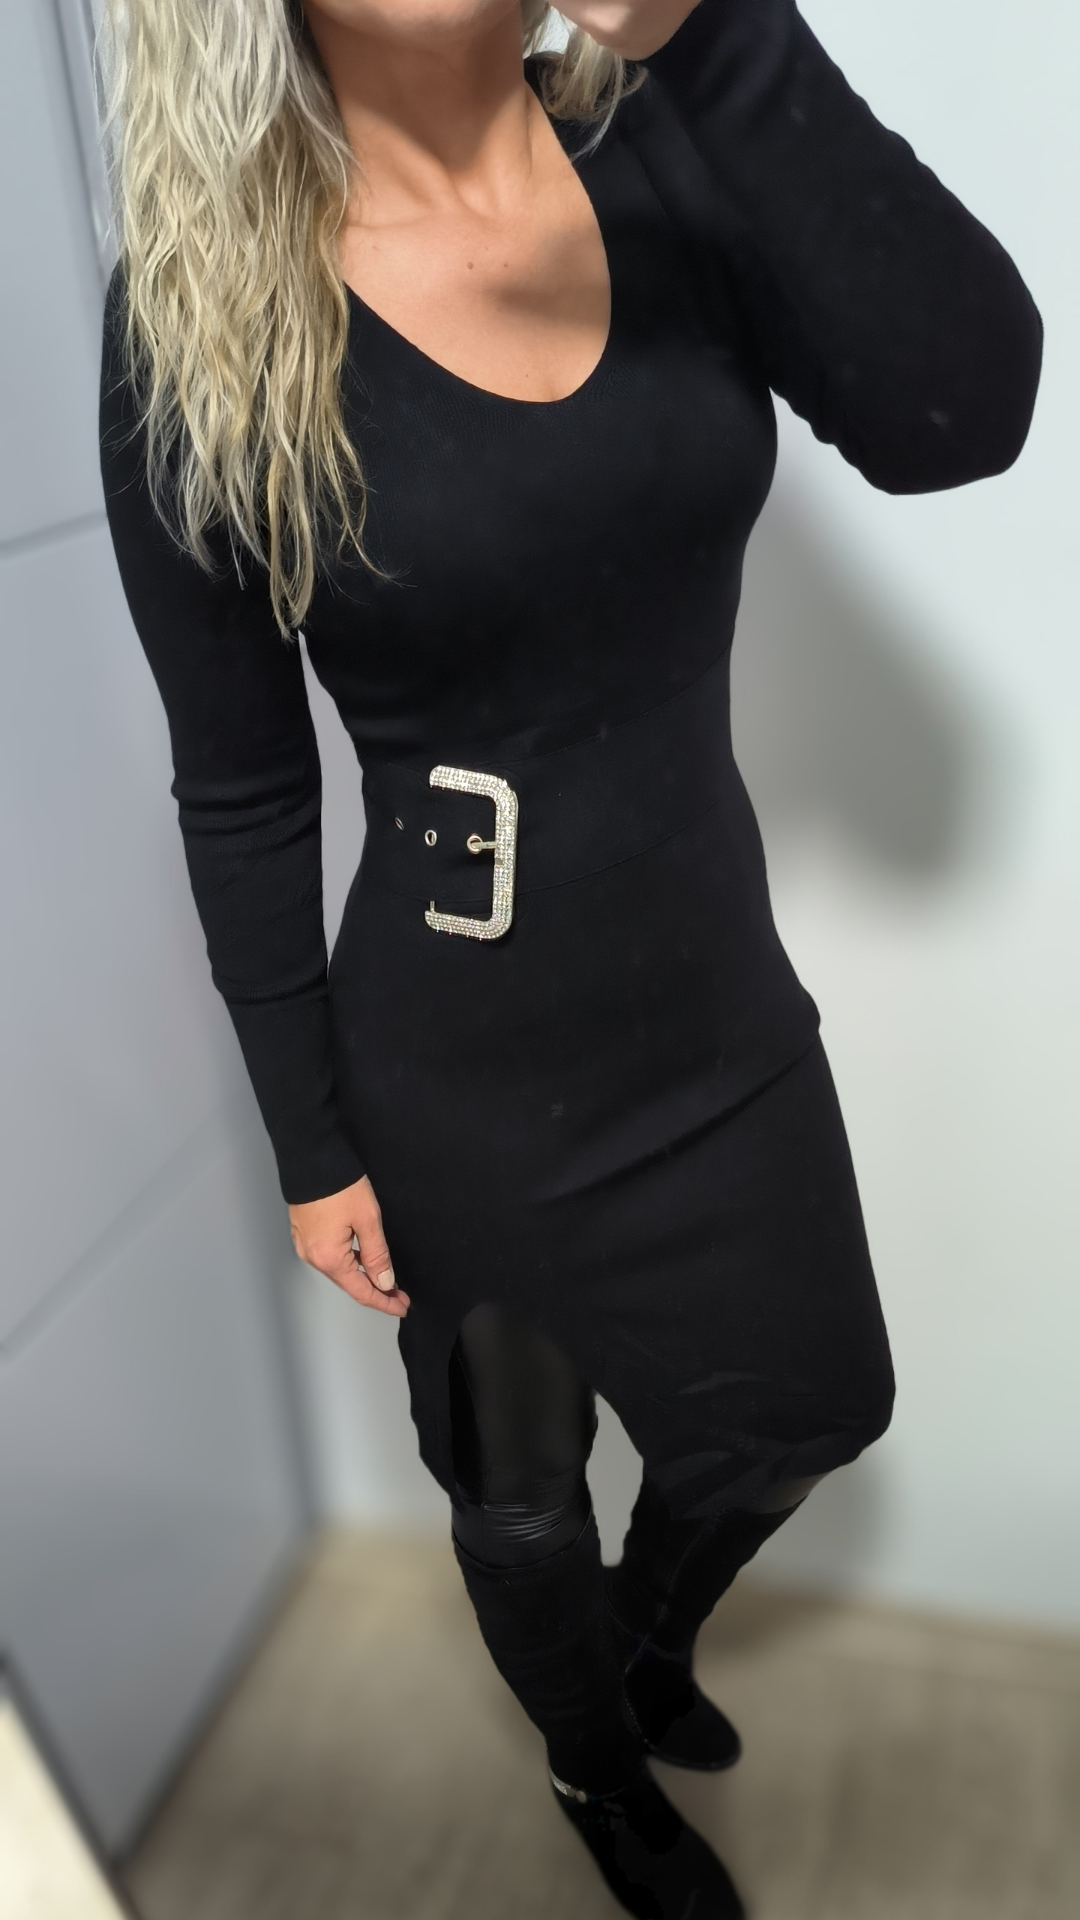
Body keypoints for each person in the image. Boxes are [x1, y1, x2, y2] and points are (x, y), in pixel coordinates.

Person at [98, 2, 1041, 1913]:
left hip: (709, 998)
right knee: (518, 1494)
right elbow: (245, 789)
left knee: (807, 1414)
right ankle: (597, 1773)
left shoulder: (671, 143)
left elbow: (965, 410)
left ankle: (643, 1639)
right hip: (455, 1056)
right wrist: (309, 1140)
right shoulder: (196, 306)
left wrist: (713, 29)